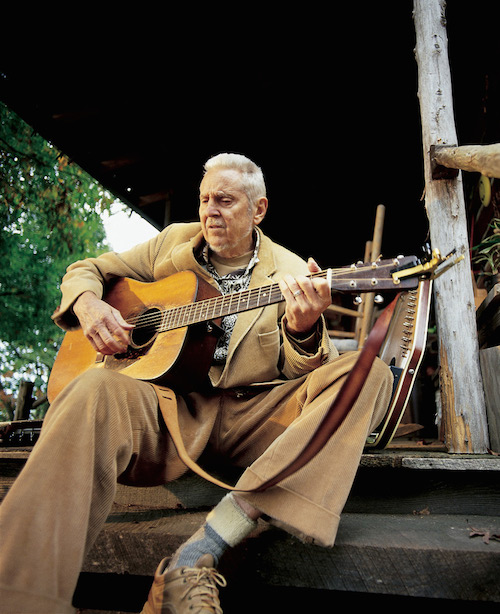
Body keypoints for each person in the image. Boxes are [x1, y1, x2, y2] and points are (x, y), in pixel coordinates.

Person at [0, 153, 393, 613]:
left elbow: (303, 370)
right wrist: (89, 305)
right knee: (90, 389)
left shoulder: (290, 272)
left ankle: (209, 542)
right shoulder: (173, 243)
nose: (210, 211)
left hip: (252, 418)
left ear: (258, 209)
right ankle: (21, 597)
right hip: (168, 409)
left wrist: (302, 329)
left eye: (224, 200)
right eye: (205, 199)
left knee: (369, 374)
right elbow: (87, 269)